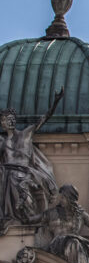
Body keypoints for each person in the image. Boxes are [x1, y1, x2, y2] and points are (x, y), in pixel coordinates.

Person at [0, 88, 64, 229]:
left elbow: (43, 119)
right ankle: (8, 218)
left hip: (23, 172)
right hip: (6, 173)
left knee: (18, 184)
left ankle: (25, 220)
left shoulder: (26, 134)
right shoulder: (2, 141)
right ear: (2, 123)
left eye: (11, 119)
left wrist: (55, 102)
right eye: (6, 120)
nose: (9, 122)